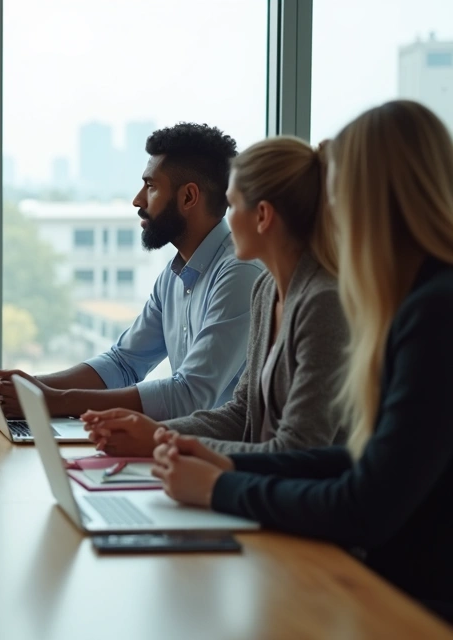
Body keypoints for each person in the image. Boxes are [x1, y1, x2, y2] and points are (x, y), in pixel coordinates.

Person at [149, 100, 453, 622]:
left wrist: (221, 485)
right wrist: (227, 463)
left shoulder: (436, 312)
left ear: (372, 202)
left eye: (336, 198)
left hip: (410, 604)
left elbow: (366, 504)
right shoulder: (417, 300)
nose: (328, 218)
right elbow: (360, 460)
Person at [80, 136, 350, 456]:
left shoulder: (322, 303)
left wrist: (162, 442)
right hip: (260, 481)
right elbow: (241, 414)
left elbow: (297, 452)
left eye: (232, 205)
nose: (225, 219)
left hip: (298, 487)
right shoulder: (267, 291)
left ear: (262, 216)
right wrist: (156, 433)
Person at [0, 123, 262, 421]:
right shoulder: (173, 277)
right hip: (180, 441)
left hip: (223, 447)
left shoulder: (240, 274)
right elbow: (123, 363)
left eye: (151, 186)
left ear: (188, 197)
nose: (138, 200)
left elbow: (188, 395)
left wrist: (49, 402)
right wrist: (28, 387)